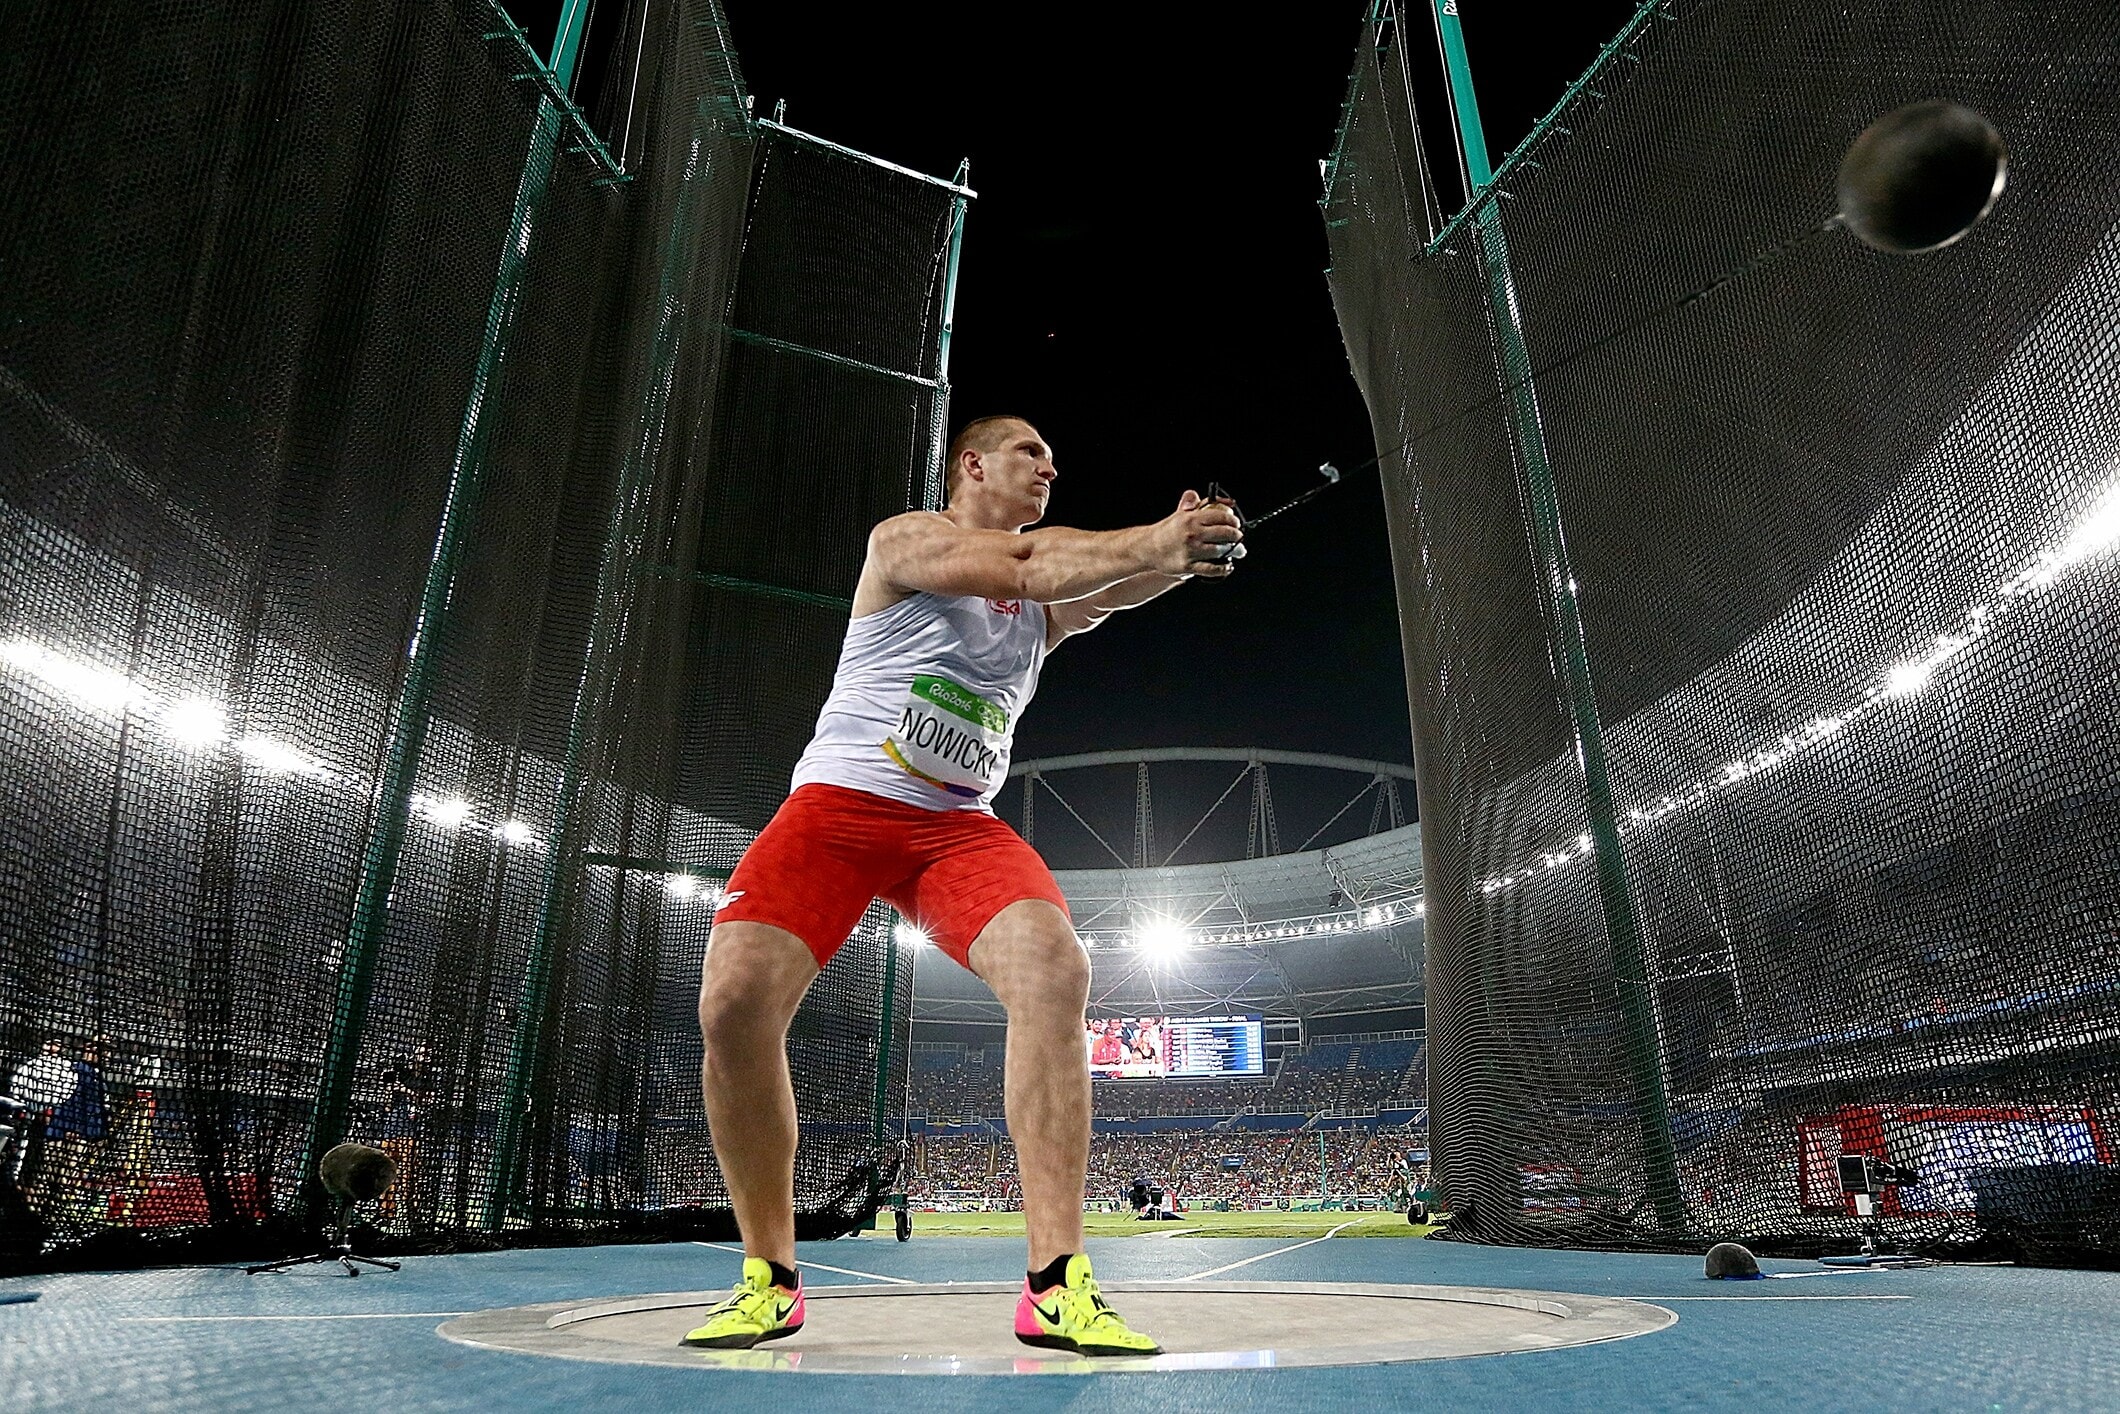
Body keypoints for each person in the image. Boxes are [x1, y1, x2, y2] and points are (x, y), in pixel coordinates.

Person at [690, 415, 1241, 1354]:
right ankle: (769, 1276)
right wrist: (1156, 539)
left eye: (1054, 460)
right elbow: (1027, 568)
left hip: (955, 831)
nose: (1050, 467)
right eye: (1032, 452)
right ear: (972, 465)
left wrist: (1185, 550)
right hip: (839, 808)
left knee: (1055, 969)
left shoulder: (1041, 603)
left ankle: (1056, 1283)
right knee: (734, 1002)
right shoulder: (905, 542)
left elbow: (1098, 588)